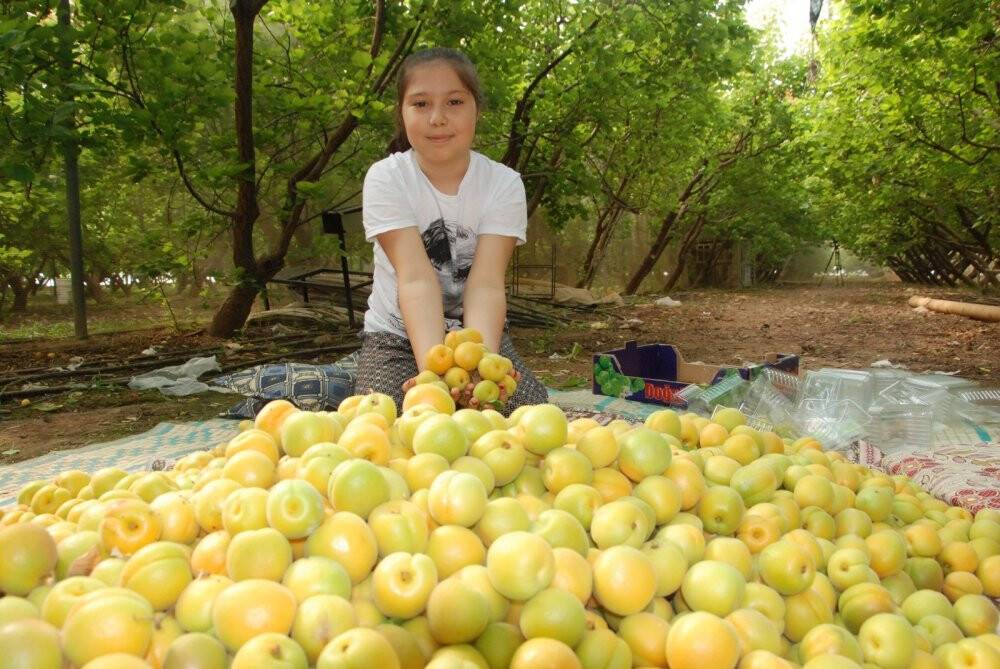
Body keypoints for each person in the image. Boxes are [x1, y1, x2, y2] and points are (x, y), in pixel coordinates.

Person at [353, 47, 548, 413]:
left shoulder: (503, 184)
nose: (438, 118)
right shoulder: (387, 178)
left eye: (454, 102)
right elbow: (415, 280)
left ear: (477, 109)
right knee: (387, 416)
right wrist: (436, 378)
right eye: (421, 104)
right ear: (402, 113)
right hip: (395, 335)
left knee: (525, 411)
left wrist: (479, 370)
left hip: (476, 334)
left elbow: (486, 284)